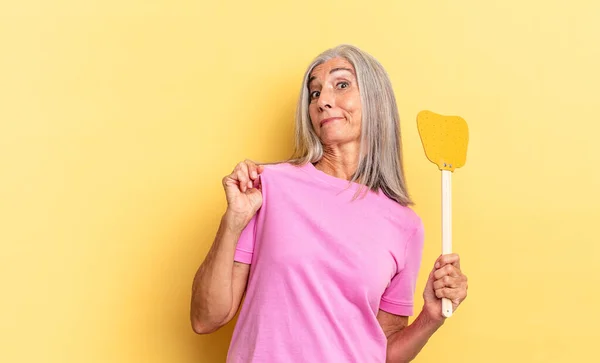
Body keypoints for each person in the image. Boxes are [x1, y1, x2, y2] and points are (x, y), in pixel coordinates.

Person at [190, 44, 468, 362]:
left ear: (376, 101)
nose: (322, 101)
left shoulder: (404, 225)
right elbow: (206, 318)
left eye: (342, 84)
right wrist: (233, 220)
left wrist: (431, 317)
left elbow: (385, 351)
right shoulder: (269, 186)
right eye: (314, 92)